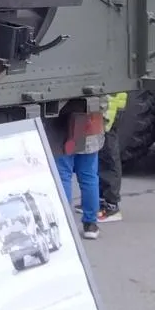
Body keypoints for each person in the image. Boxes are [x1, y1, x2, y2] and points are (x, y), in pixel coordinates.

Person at [55, 101, 106, 241]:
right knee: (89, 178)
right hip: (90, 124)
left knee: (63, 177)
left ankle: (65, 223)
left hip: (62, 126)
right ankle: (90, 224)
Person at [96, 91, 128, 223]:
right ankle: (102, 201)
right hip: (109, 102)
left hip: (110, 105)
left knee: (109, 155)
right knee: (103, 154)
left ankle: (111, 205)